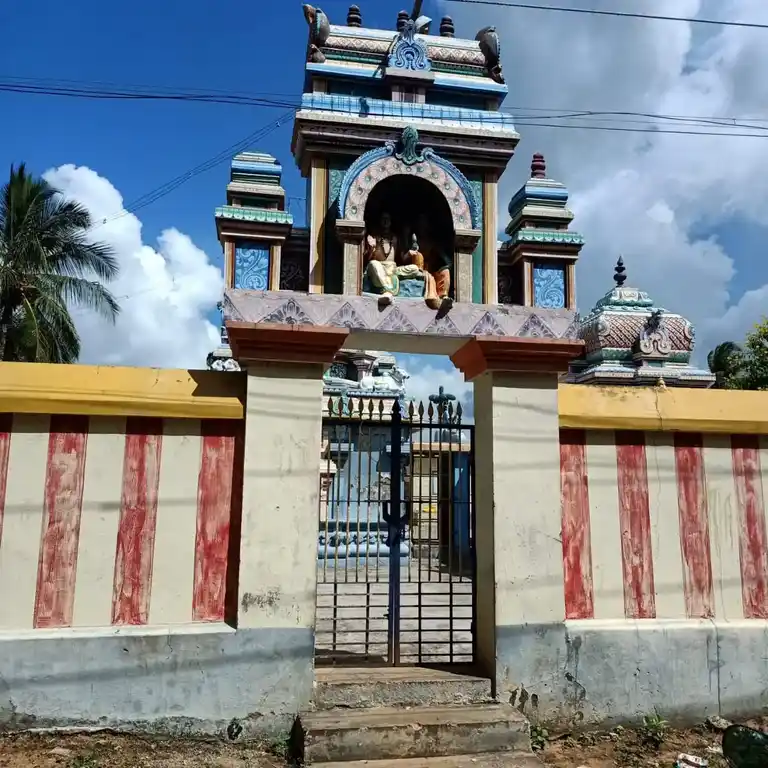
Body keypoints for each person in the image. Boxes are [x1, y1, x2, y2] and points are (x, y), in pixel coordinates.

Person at [363, 211, 426, 306]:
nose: (385, 221)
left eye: (387, 219)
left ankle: (388, 288)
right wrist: (371, 249)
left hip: (393, 269)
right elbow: (367, 259)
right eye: (383, 219)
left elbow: (402, 259)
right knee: (373, 264)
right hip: (380, 267)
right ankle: (387, 291)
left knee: (414, 268)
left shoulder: (395, 238)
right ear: (380, 221)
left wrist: (409, 253)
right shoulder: (373, 237)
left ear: (391, 221)